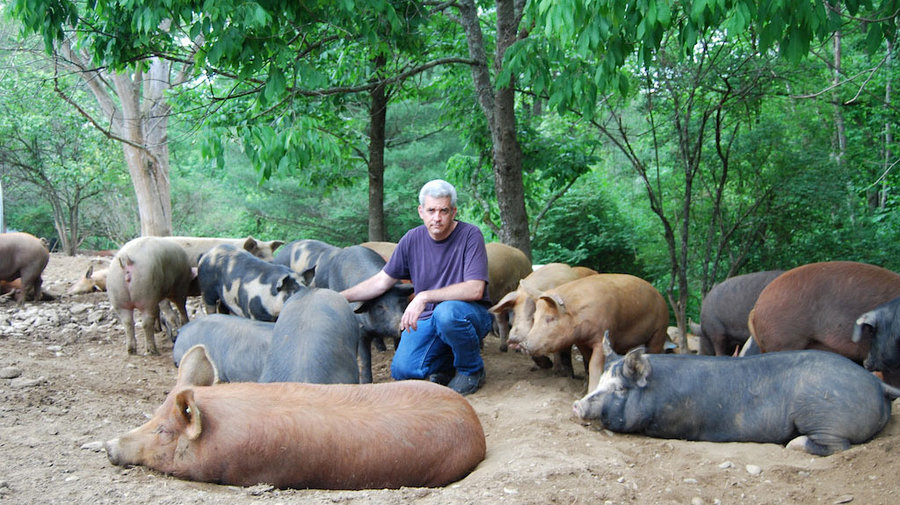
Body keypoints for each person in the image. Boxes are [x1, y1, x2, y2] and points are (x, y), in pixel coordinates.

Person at [341, 179, 493, 395]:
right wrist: (340, 297)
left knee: (447, 313)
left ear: (454, 211)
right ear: (421, 211)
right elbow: (381, 281)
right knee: (403, 370)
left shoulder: (470, 235)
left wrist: (423, 297)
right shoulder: (412, 239)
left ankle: (471, 370)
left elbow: (475, 289)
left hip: (468, 314)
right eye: (431, 210)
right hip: (430, 319)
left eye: (444, 210)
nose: (437, 218)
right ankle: (447, 366)